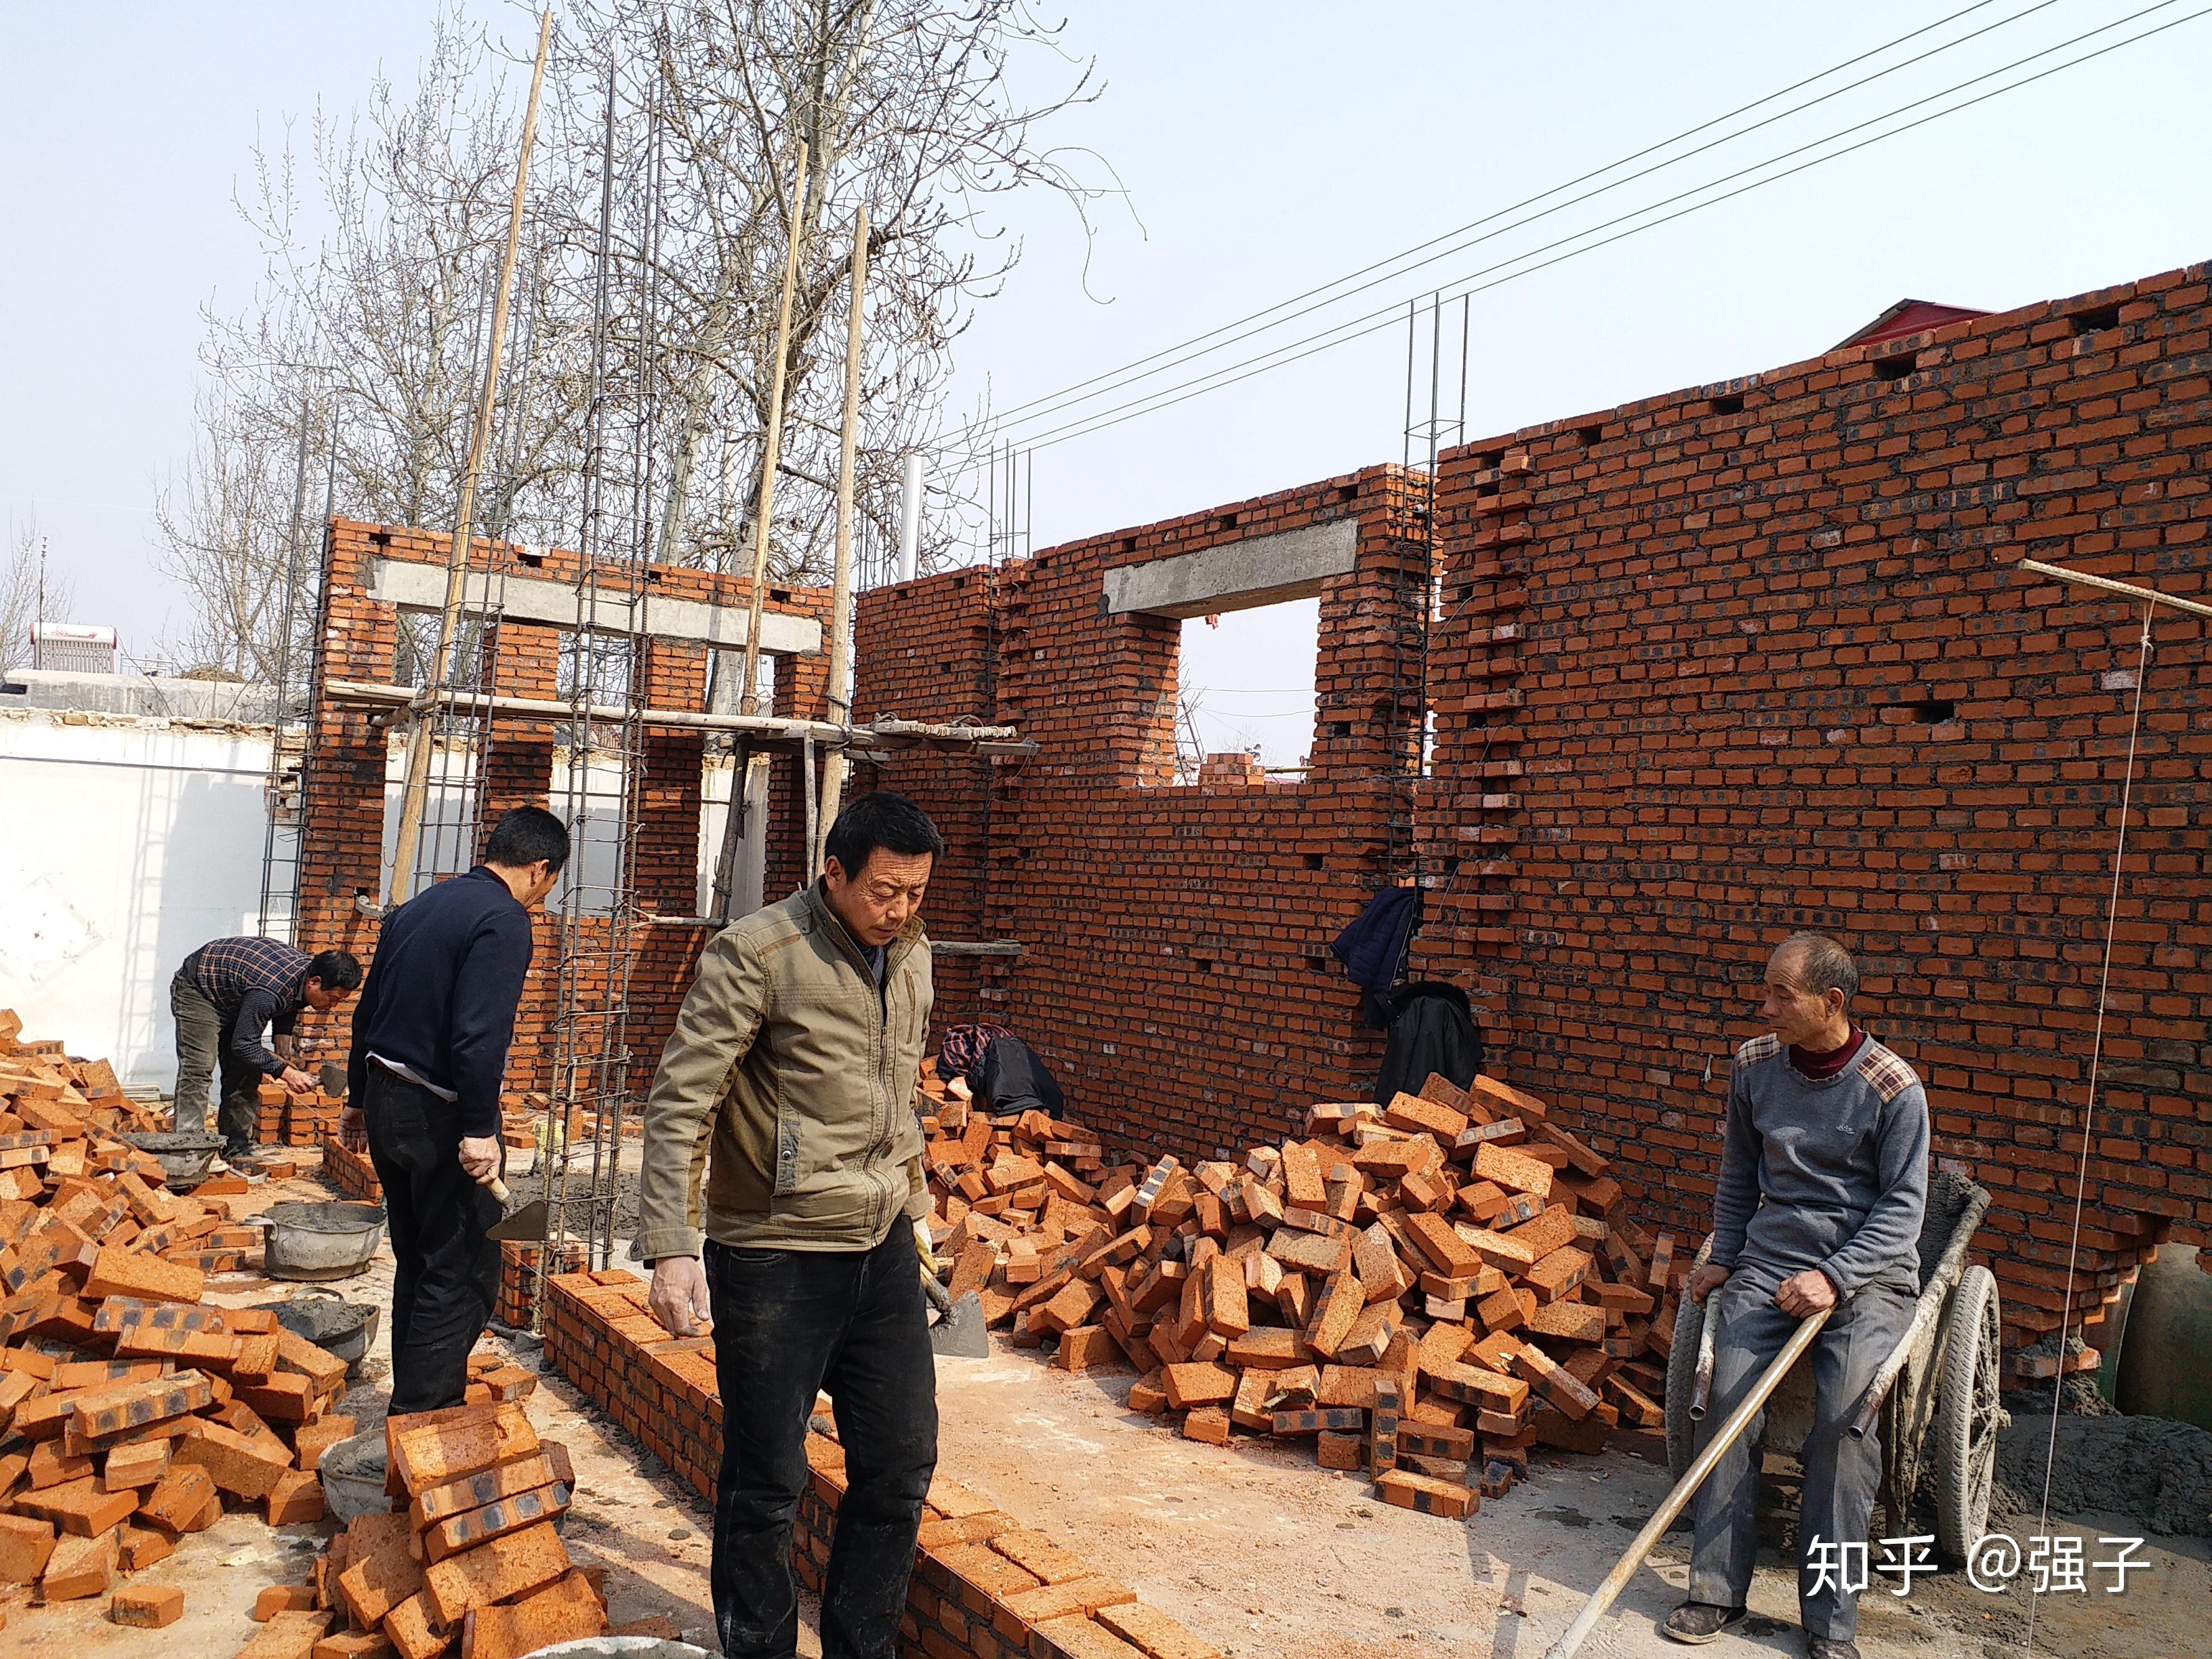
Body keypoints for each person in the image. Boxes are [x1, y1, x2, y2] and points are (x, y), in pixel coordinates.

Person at [634, 791, 944, 1659]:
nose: (902, 910)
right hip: (774, 1256)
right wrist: (672, 1244)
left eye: (917, 892)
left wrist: (916, 1214)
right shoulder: (761, 952)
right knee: (767, 1484)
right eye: (885, 891)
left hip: (879, 1249)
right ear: (833, 873)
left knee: (898, 1464)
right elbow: (682, 1101)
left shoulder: (913, 956)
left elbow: (898, 1098)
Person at [1664, 933, 1929, 1659]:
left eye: (1783, 994)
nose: (1766, 1006)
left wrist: (1834, 1278)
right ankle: (1715, 1591)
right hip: (1770, 1264)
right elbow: (1737, 1174)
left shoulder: (1892, 1088)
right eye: (1767, 990)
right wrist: (1724, 1253)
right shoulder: (1754, 1067)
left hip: (1867, 1280)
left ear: (1831, 1003)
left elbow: (1903, 1213)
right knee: (1726, 1403)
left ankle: (1829, 1624)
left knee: (1844, 1428)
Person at [345, 805, 569, 1417]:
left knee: (418, 1260)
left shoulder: (419, 907)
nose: (546, 895)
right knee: (464, 1272)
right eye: (551, 884)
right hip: (437, 1115)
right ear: (542, 869)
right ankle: (422, 1423)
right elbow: (479, 1037)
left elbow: (368, 1011)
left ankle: (411, 1404)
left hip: (386, 1101)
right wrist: (478, 1130)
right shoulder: (503, 920)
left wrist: (358, 1103)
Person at [170, 938, 361, 1159]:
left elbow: (292, 1001)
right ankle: (187, 1150)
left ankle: (237, 1150)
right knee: (200, 1067)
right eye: (333, 997)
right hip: (200, 991)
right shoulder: (269, 990)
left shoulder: (306, 974)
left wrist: (283, 1039)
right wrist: (287, 1073)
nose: (333, 1005)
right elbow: (243, 1044)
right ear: (315, 982)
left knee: (246, 1073)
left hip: (238, 995)